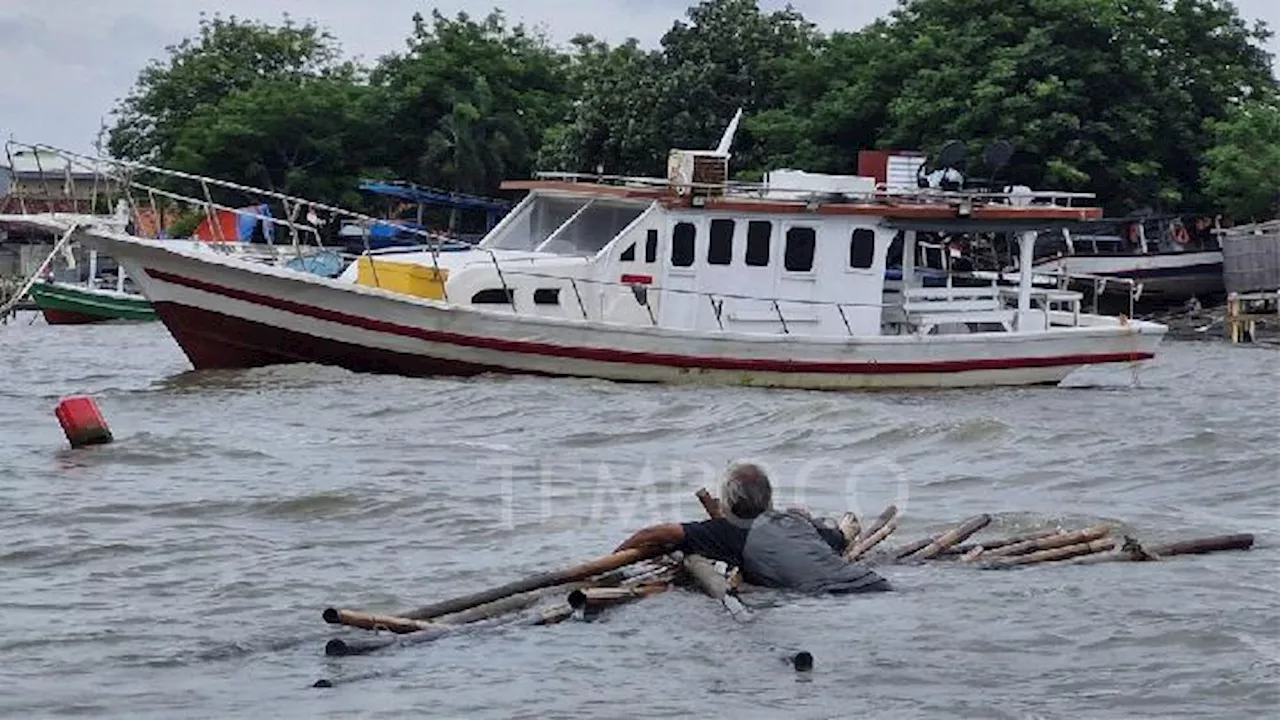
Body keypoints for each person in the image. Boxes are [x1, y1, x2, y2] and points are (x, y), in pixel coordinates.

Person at [615, 462, 891, 594]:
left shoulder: (728, 531)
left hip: (825, 597)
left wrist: (617, 558)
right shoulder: (795, 521)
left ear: (729, 503)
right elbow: (839, 540)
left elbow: (655, 534)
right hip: (874, 584)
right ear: (768, 496)